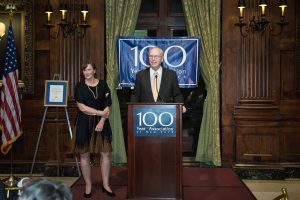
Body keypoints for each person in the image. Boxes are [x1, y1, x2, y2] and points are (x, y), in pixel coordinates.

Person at [71, 61, 115, 198]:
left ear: (94, 70)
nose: (87, 72)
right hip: (84, 122)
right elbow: (82, 108)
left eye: (89, 70)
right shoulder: (79, 86)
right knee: (84, 154)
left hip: (102, 122)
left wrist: (102, 120)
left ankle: (106, 184)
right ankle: (88, 184)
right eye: (84, 70)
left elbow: (108, 105)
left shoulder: (103, 84)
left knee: (106, 154)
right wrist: (99, 113)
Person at [131, 46, 187, 112]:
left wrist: (180, 106)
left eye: (156, 56)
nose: (153, 59)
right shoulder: (140, 75)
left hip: (166, 113)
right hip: (145, 113)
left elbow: (177, 95)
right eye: (150, 56)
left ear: (162, 59)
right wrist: (132, 108)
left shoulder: (171, 74)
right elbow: (135, 95)